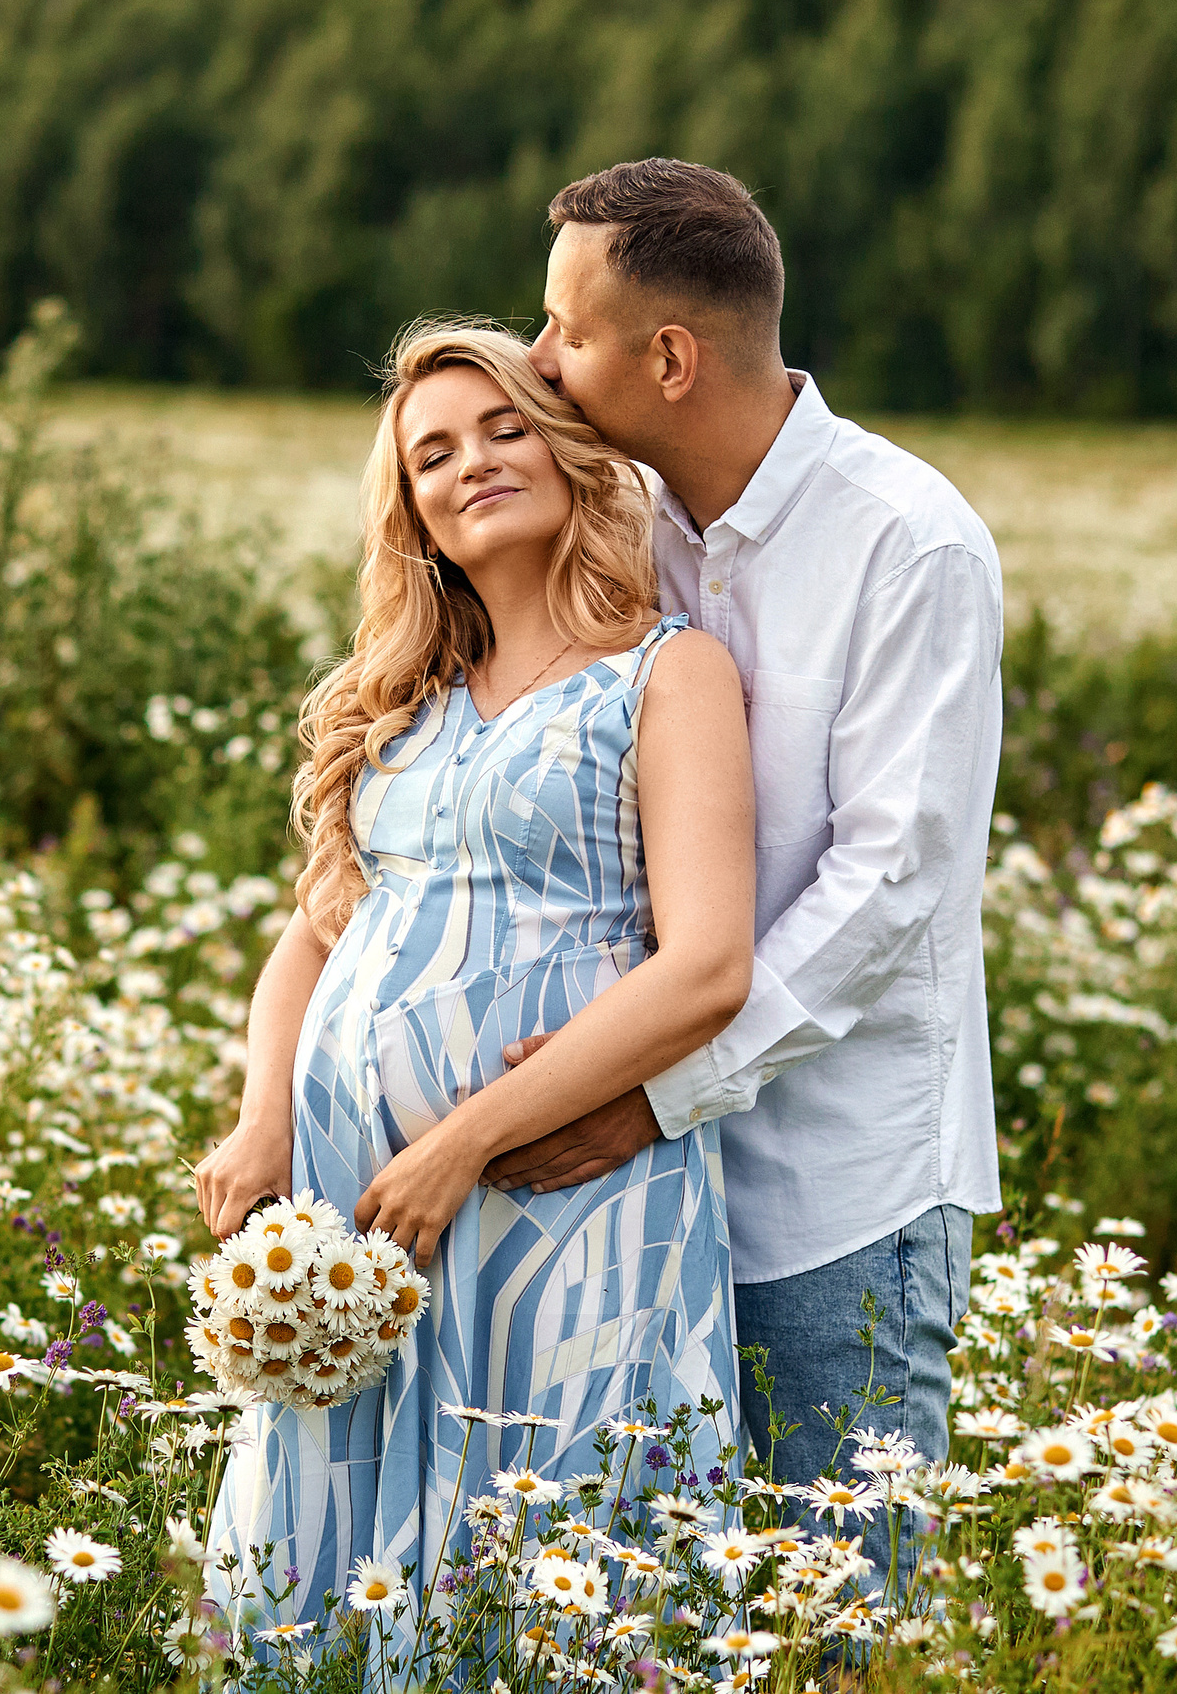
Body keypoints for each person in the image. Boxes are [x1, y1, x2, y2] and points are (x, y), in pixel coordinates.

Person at [191, 320, 758, 1623]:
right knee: (330, 1526)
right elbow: (316, 932)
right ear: (416, 514)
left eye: (506, 428)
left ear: (568, 454)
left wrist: (465, 1143)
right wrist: (264, 1113)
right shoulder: (404, 701)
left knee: (552, 1526)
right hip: (357, 1216)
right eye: (433, 454)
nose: (475, 465)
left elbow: (709, 968)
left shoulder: (667, 676)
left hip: (558, 1186)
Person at [503, 157, 1004, 1569]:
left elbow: (890, 887)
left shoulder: (912, 545)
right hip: (633, 1189)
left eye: (568, 331)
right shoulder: (618, 525)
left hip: (832, 1190)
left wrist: (657, 1091)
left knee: (843, 1611)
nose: (541, 358)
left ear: (669, 356)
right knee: (671, 1608)